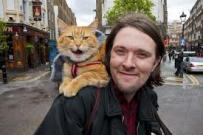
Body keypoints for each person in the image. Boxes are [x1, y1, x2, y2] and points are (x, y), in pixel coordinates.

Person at [34, 13, 171, 135]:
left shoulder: (149, 97)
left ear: (155, 62)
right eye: (120, 51)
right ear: (108, 54)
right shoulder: (73, 104)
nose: (128, 63)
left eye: (142, 54)